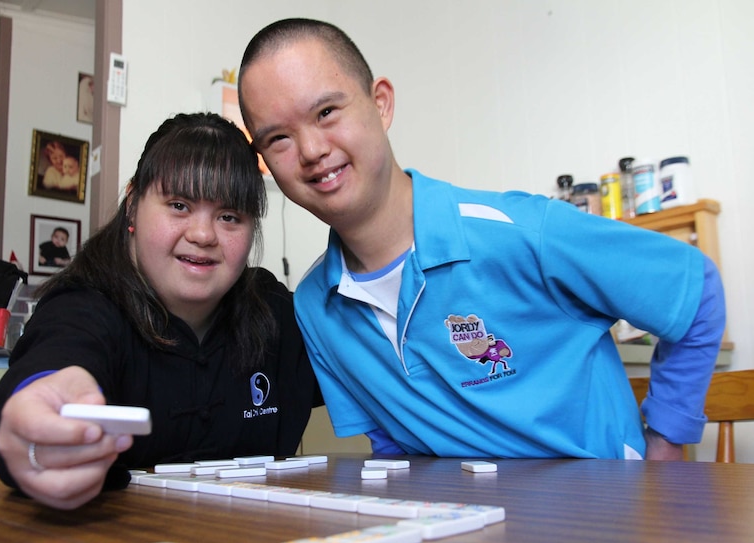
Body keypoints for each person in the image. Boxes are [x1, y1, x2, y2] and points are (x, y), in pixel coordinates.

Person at [237, 18, 726, 461]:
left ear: (380, 103)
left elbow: (695, 290)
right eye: (278, 138)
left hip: (602, 526)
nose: (312, 150)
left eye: (326, 111)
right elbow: (389, 440)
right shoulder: (315, 306)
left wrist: (664, 448)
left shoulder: (521, 232)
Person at [0, 112, 322, 509]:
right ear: (132, 205)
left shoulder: (273, 311)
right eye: (179, 205)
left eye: (229, 216)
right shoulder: (87, 305)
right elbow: (57, 361)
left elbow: (372, 370)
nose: (202, 235)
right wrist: (38, 423)